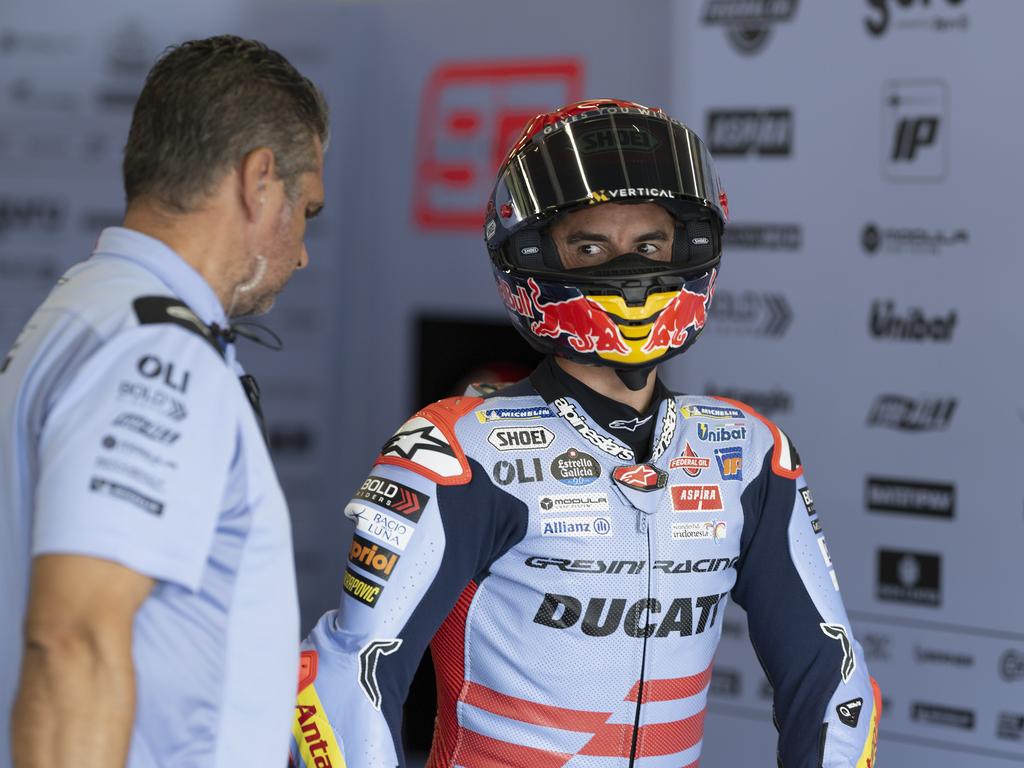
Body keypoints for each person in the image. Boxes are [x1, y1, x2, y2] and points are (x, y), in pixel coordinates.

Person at [290, 100, 879, 768]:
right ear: (532, 256)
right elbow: (345, 679)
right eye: (591, 244)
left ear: (691, 247)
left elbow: (834, 679)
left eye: (649, 243)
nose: (627, 269)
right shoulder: (457, 451)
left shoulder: (746, 454)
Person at [1, 35, 328, 768]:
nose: (303, 251)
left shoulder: (89, 306)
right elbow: (72, 640)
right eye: (307, 210)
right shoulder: (156, 349)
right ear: (260, 181)